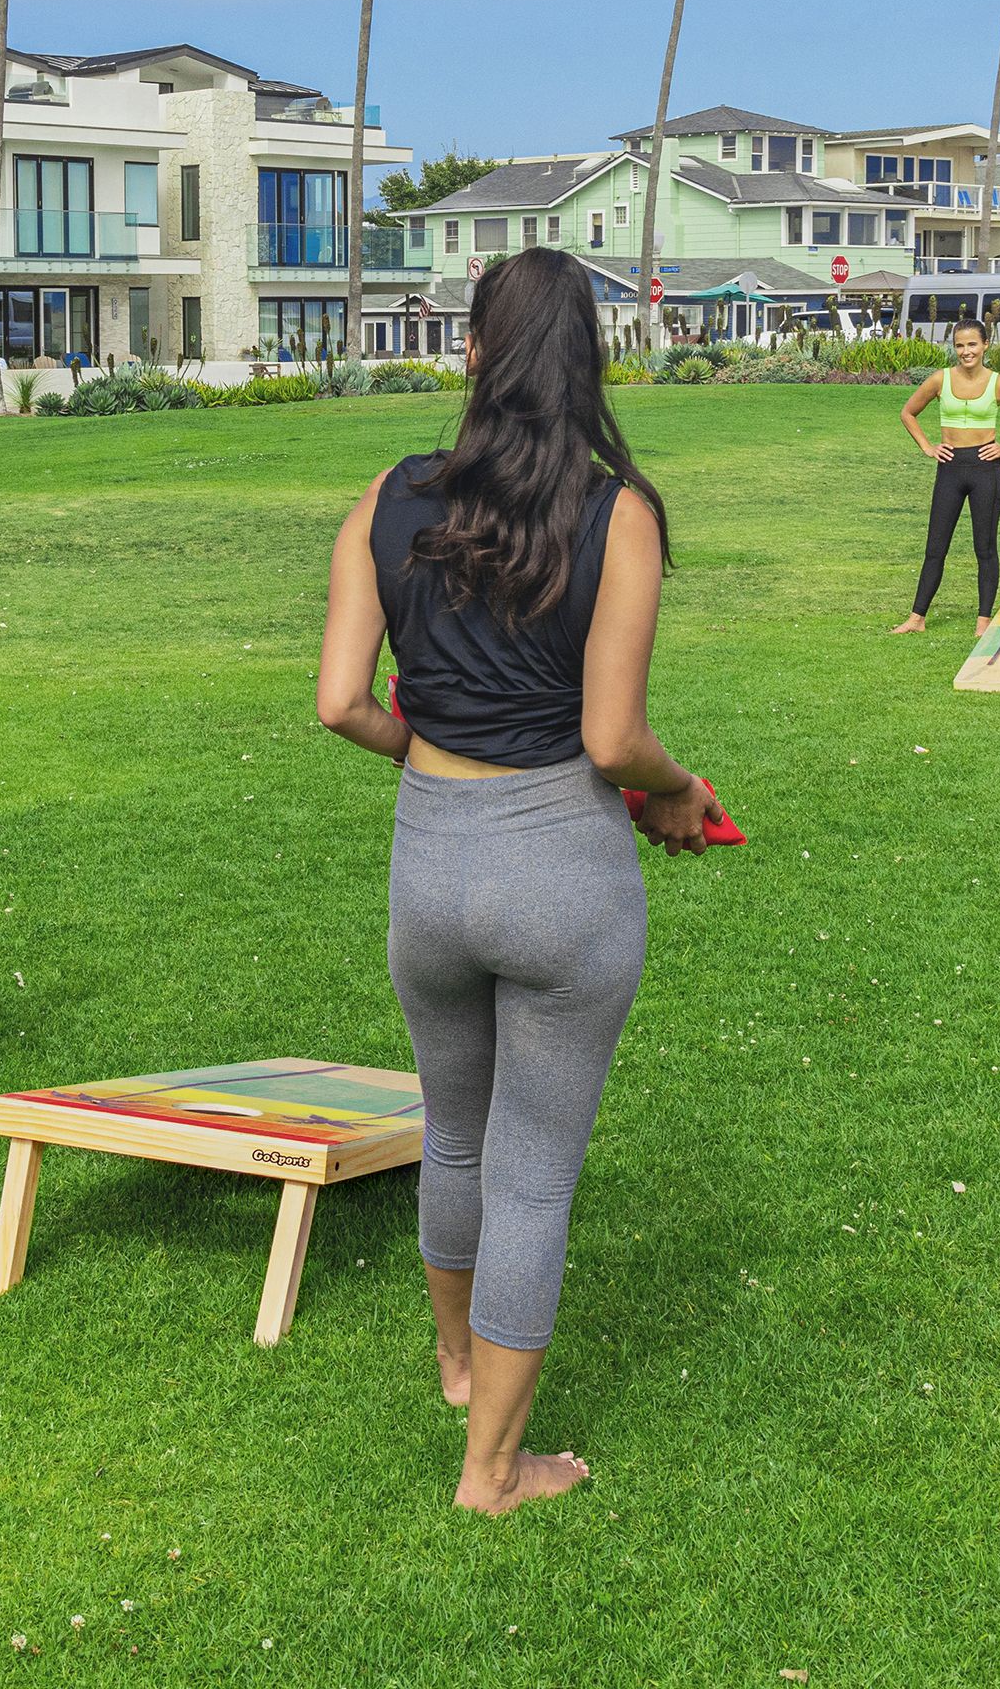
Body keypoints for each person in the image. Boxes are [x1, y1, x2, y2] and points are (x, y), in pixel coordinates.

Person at [316, 248, 720, 1514]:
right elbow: (611, 737)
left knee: (454, 1132)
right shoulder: (618, 511)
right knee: (532, 1170)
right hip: (559, 869)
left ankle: (455, 1367)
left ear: (474, 351)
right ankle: (491, 1468)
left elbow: (337, 702)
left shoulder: (387, 494)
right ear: (585, 357)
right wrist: (679, 789)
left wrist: (422, 749)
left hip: (428, 863)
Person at [888, 319, 1000, 636]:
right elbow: (908, 412)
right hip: (950, 468)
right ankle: (917, 618)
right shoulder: (939, 380)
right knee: (935, 547)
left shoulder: (999, 384)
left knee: (984, 548)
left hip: (986, 470)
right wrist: (927, 447)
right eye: (959, 345)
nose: (965, 351)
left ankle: (983, 620)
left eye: (972, 344)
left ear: (985, 345)